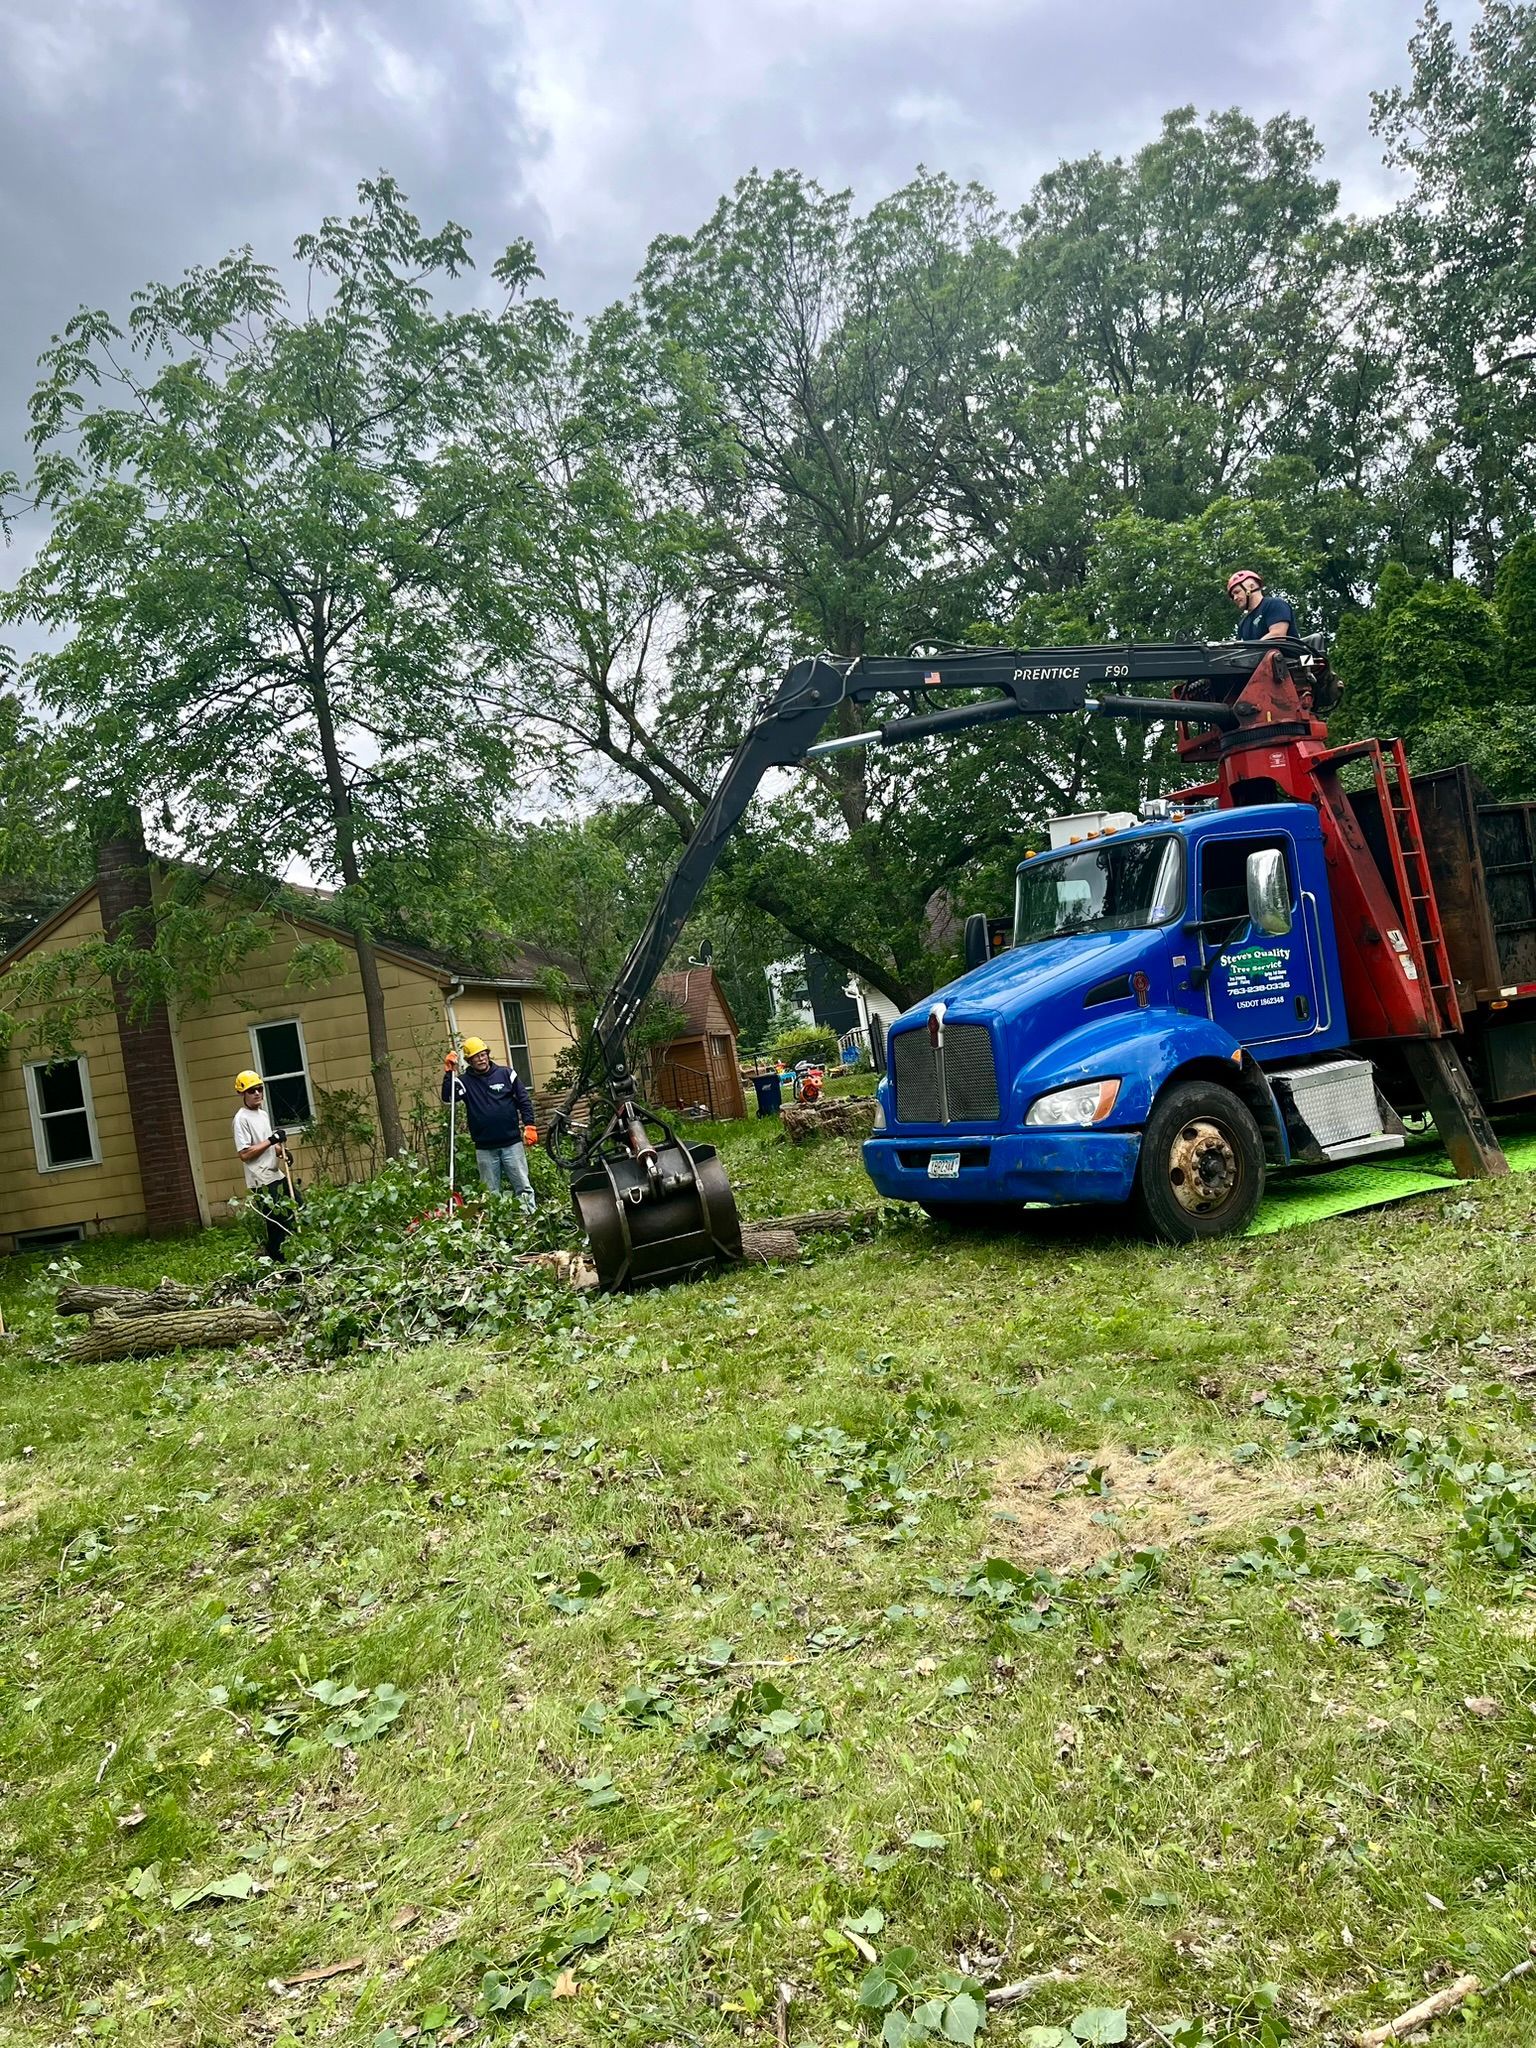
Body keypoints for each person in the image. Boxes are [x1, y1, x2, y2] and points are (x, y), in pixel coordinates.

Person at [443, 1038, 538, 1211]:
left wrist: (529, 1125)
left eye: (483, 1054)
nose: (481, 1059)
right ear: (470, 1061)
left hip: (511, 1143)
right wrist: (449, 1072)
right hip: (485, 1148)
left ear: (488, 1054)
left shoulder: (506, 1074)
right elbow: (449, 1097)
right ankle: (497, 1225)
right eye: (476, 1057)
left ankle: (530, 1218)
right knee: (490, 1191)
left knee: (523, 1186)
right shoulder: (464, 1081)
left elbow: (524, 1100)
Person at [232, 1071, 297, 1261]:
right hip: (260, 1179)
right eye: (252, 1090)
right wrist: (271, 1140)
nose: (257, 1093)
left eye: (260, 1089)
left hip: (275, 1173)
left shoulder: (262, 1114)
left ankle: (295, 1253)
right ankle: (278, 1261)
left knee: (298, 1207)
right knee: (276, 1222)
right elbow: (244, 1154)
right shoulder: (241, 1120)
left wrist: (281, 1150)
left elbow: (266, 1144)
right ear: (242, 1093)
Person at [1226, 569, 1298, 643]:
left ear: (1251, 587)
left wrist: (1251, 650)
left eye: (1237, 592)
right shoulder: (1243, 623)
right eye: (1232, 596)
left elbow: (1277, 636)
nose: (1235, 598)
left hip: (1285, 654)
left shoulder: (1274, 605)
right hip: (1257, 654)